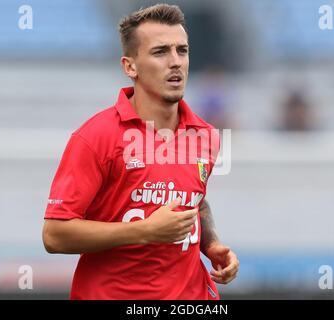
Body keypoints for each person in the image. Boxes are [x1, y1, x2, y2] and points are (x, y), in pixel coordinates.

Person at [42, 4, 239, 300]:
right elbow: (54, 235)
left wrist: (211, 244)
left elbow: (195, 199)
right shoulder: (96, 137)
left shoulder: (207, 136)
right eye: (160, 52)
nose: (175, 62)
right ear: (129, 66)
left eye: (181, 51)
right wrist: (144, 231)